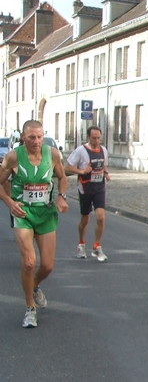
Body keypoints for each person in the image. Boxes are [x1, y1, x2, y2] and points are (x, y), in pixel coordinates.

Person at [0, 120, 69, 328]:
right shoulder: (13, 157)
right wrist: (10, 201)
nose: (36, 141)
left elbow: (62, 177)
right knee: (29, 262)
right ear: (23, 137)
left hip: (46, 212)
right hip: (23, 212)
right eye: (31, 137)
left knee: (47, 266)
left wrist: (61, 196)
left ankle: (35, 285)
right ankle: (30, 308)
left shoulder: (52, 154)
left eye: (39, 137)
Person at [65, 126, 110, 262]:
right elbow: (67, 167)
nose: (96, 141)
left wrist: (106, 174)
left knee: (101, 217)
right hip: (85, 188)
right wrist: (82, 171)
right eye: (93, 138)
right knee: (85, 219)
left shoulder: (103, 150)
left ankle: (97, 246)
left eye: (98, 138)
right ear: (88, 137)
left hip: (99, 188)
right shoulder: (80, 151)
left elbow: (104, 166)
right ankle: (81, 244)